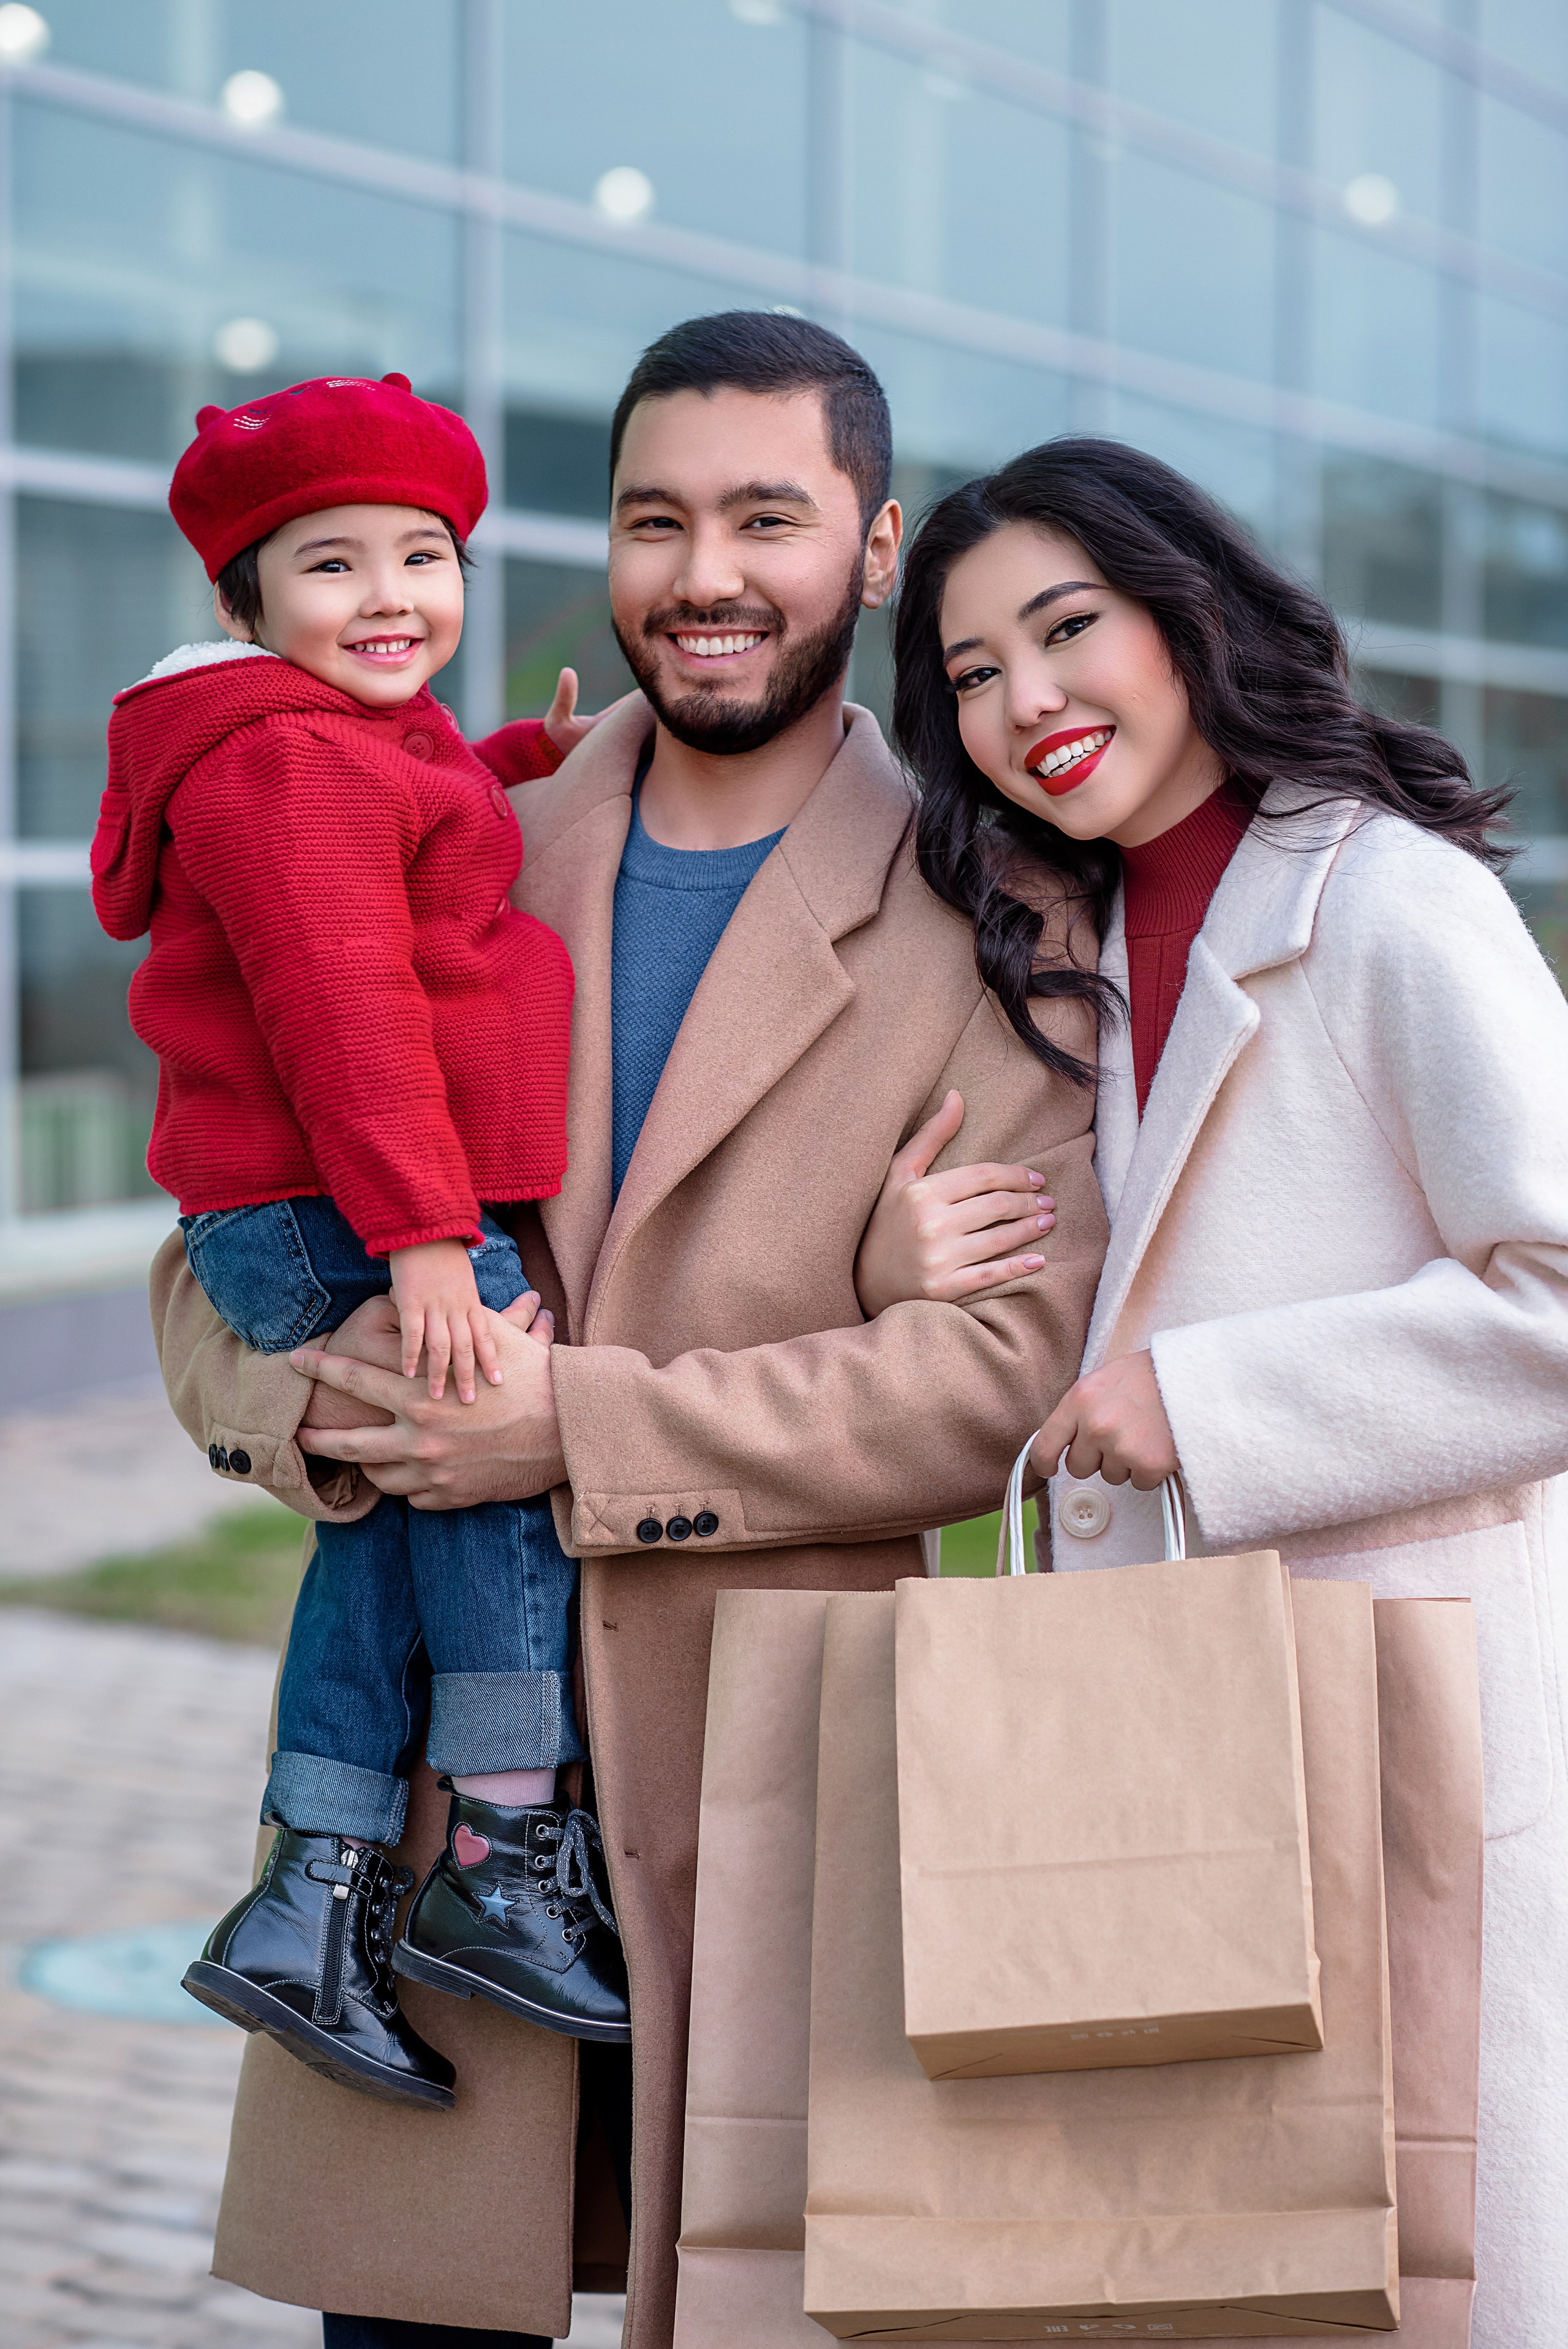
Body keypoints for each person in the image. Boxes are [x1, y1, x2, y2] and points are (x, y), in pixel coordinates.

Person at [149, 315, 1110, 2349]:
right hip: (431, 1844)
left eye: (770, 515)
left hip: (778, 1790)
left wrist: (564, 1431)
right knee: (410, 2329)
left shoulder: (994, 898)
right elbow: (207, 1262)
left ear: (874, 545)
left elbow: (1000, 1378)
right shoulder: (446, 821)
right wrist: (351, 1419)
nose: (706, 572)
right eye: (656, 518)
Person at [858, 436, 1568, 2349]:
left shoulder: (1393, 896)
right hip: (1174, 1746)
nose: (1027, 702)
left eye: (1066, 628)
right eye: (974, 674)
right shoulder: (1063, 948)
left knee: (1430, 2271)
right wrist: (918, 1262)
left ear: (1190, 609)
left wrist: (1216, 1398)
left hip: (1408, 1722)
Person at [92, 372, 636, 2116]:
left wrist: (509, 767)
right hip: (349, 1199)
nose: (394, 594)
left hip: (305, 1200)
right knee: (484, 1463)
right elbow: (344, 1003)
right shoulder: (279, 764)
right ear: (241, 602)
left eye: (427, 553)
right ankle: (501, 1845)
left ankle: (314, 1895)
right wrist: (422, 1241)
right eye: (334, 564)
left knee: (392, 1536)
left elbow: (384, 844)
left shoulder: (321, 749)